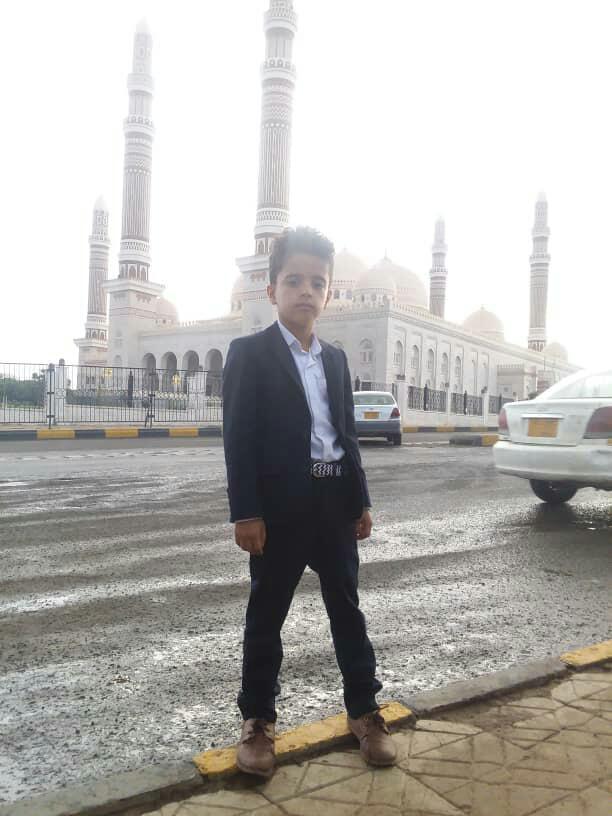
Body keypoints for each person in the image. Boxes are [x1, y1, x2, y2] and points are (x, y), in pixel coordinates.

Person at [222, 226, 396, 778]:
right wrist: (246, 512)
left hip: (333, 504)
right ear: (272, 289)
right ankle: (257, 722)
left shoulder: (336, 360)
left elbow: (346, 434)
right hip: (279, 511)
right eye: (294, 280)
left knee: (347, 610)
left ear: (329, 292)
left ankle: (364, 711)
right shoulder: (250, 354)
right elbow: (239, 439)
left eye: (317, 283)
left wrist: (360, 501)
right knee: (266, 615)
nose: (306, 291)